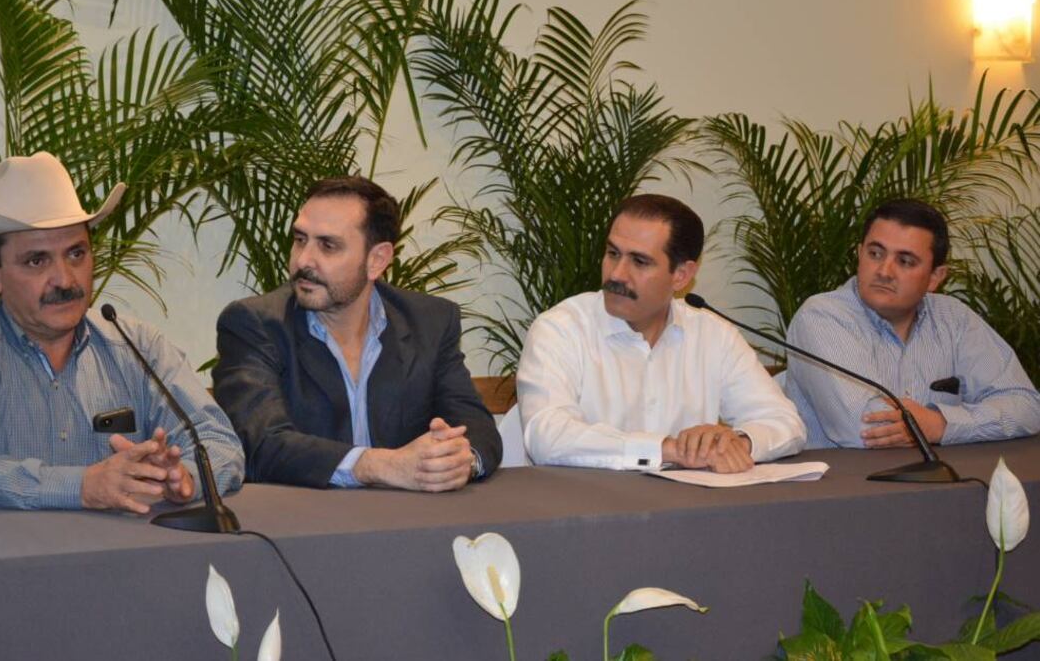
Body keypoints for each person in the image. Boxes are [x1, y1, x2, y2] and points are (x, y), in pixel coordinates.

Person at [0, 152, 244, 512]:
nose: (64, 279)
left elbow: (218, 440)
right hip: (5, 565)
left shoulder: (137, 346)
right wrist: (79, 486)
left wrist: (182, 476)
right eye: (37, 260)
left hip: (125, 562)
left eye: (76, 254)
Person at [213, 176, 501, 491]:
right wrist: (380, 465)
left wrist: (460, 460)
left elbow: (477, 427)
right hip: (303, 527)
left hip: (409, 523)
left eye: (327, 245)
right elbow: (260, 445)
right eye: (299, 239)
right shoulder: (253, 325)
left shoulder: (429, 321)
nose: (303, 260)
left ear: (377, 260)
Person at [517, 194, 804, 472]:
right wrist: (669, 449)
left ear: (681, 275)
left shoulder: (713, 335)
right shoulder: (561, 329)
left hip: (690, 511)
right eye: (613, 253)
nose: (616, 274)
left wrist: (736, 442)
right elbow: (547, 434)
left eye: (639, 262)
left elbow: (785, 422)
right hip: (588, 509)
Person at [785, 198, 1040, 449]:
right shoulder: (822, 316)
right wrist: (937, 426)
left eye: (905, 261)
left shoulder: (956, 320)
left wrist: (941, 423)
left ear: (935, 277)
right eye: (875, 254)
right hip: (844, 485)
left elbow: (1026, 406)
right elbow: (867, 430)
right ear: (859, 254)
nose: (884, 271)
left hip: (943, 480)